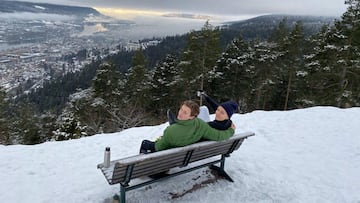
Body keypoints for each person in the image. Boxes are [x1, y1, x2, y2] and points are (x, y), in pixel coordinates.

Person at [139, 100, 235, 154]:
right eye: (181, 109)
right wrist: (231, 131)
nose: (180, 112)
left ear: (192, 116)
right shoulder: (203, 125)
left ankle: (146, 169)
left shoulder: (170, 131)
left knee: (145, 143)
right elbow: (218, 136)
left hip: (169, 153)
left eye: (185, 112)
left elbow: (159, 147)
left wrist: (161, 140)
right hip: (187, 148)